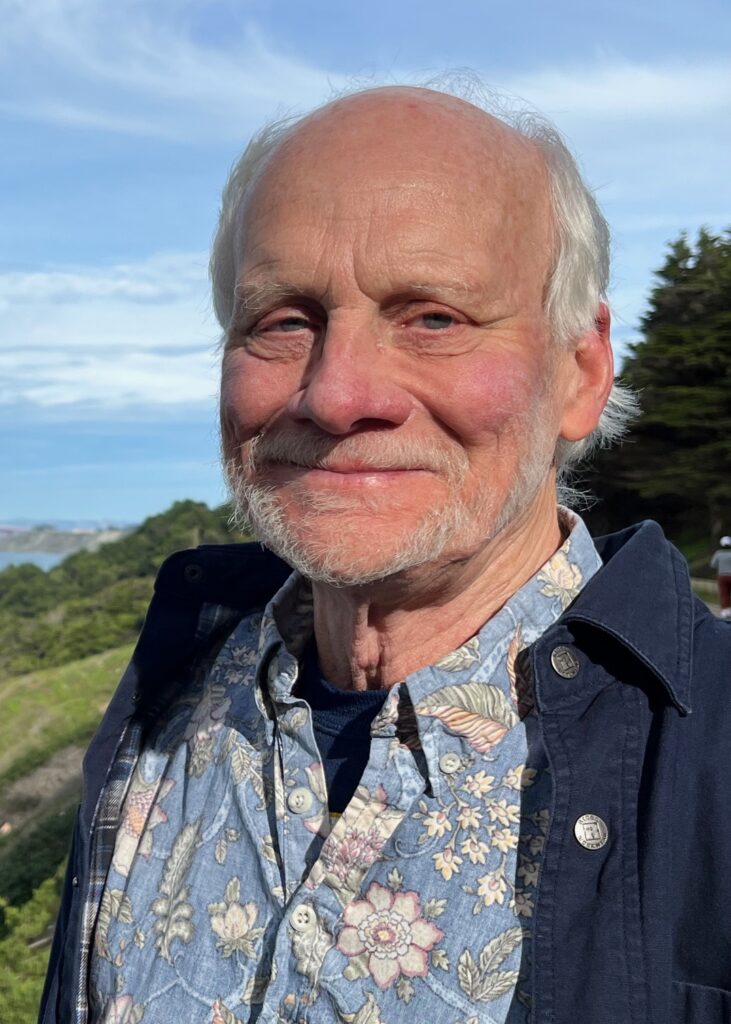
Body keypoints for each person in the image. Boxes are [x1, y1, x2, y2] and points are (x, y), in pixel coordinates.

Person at [40, 81, 731, 1024]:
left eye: (433, 317)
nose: (336, 395)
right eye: (283, 318)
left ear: (579, 371)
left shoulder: (710, 758)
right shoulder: (166, 692)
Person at [711, 536, 731, 618]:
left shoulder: (718, 553)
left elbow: (713, 565)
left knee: (724, 593)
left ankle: (725, 611)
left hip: (722, 576)